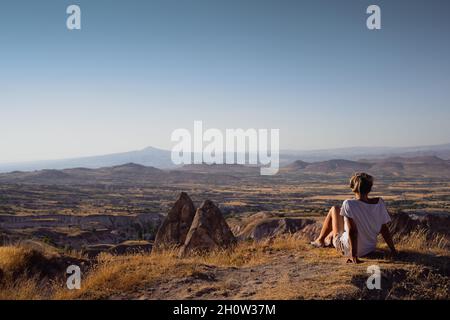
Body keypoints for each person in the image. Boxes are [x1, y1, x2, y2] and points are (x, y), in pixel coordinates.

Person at [311, 172, 397, 263]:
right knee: (341, 227)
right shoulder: (379, 203)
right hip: (369, 249)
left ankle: (320, 240)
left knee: (335, 209)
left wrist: (354, 256)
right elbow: (384, 229)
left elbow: (352, 231)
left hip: (348, 249)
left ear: (353, 187)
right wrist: (393, 250)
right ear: (369, 188)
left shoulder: (349, 204)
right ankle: (327, 240)